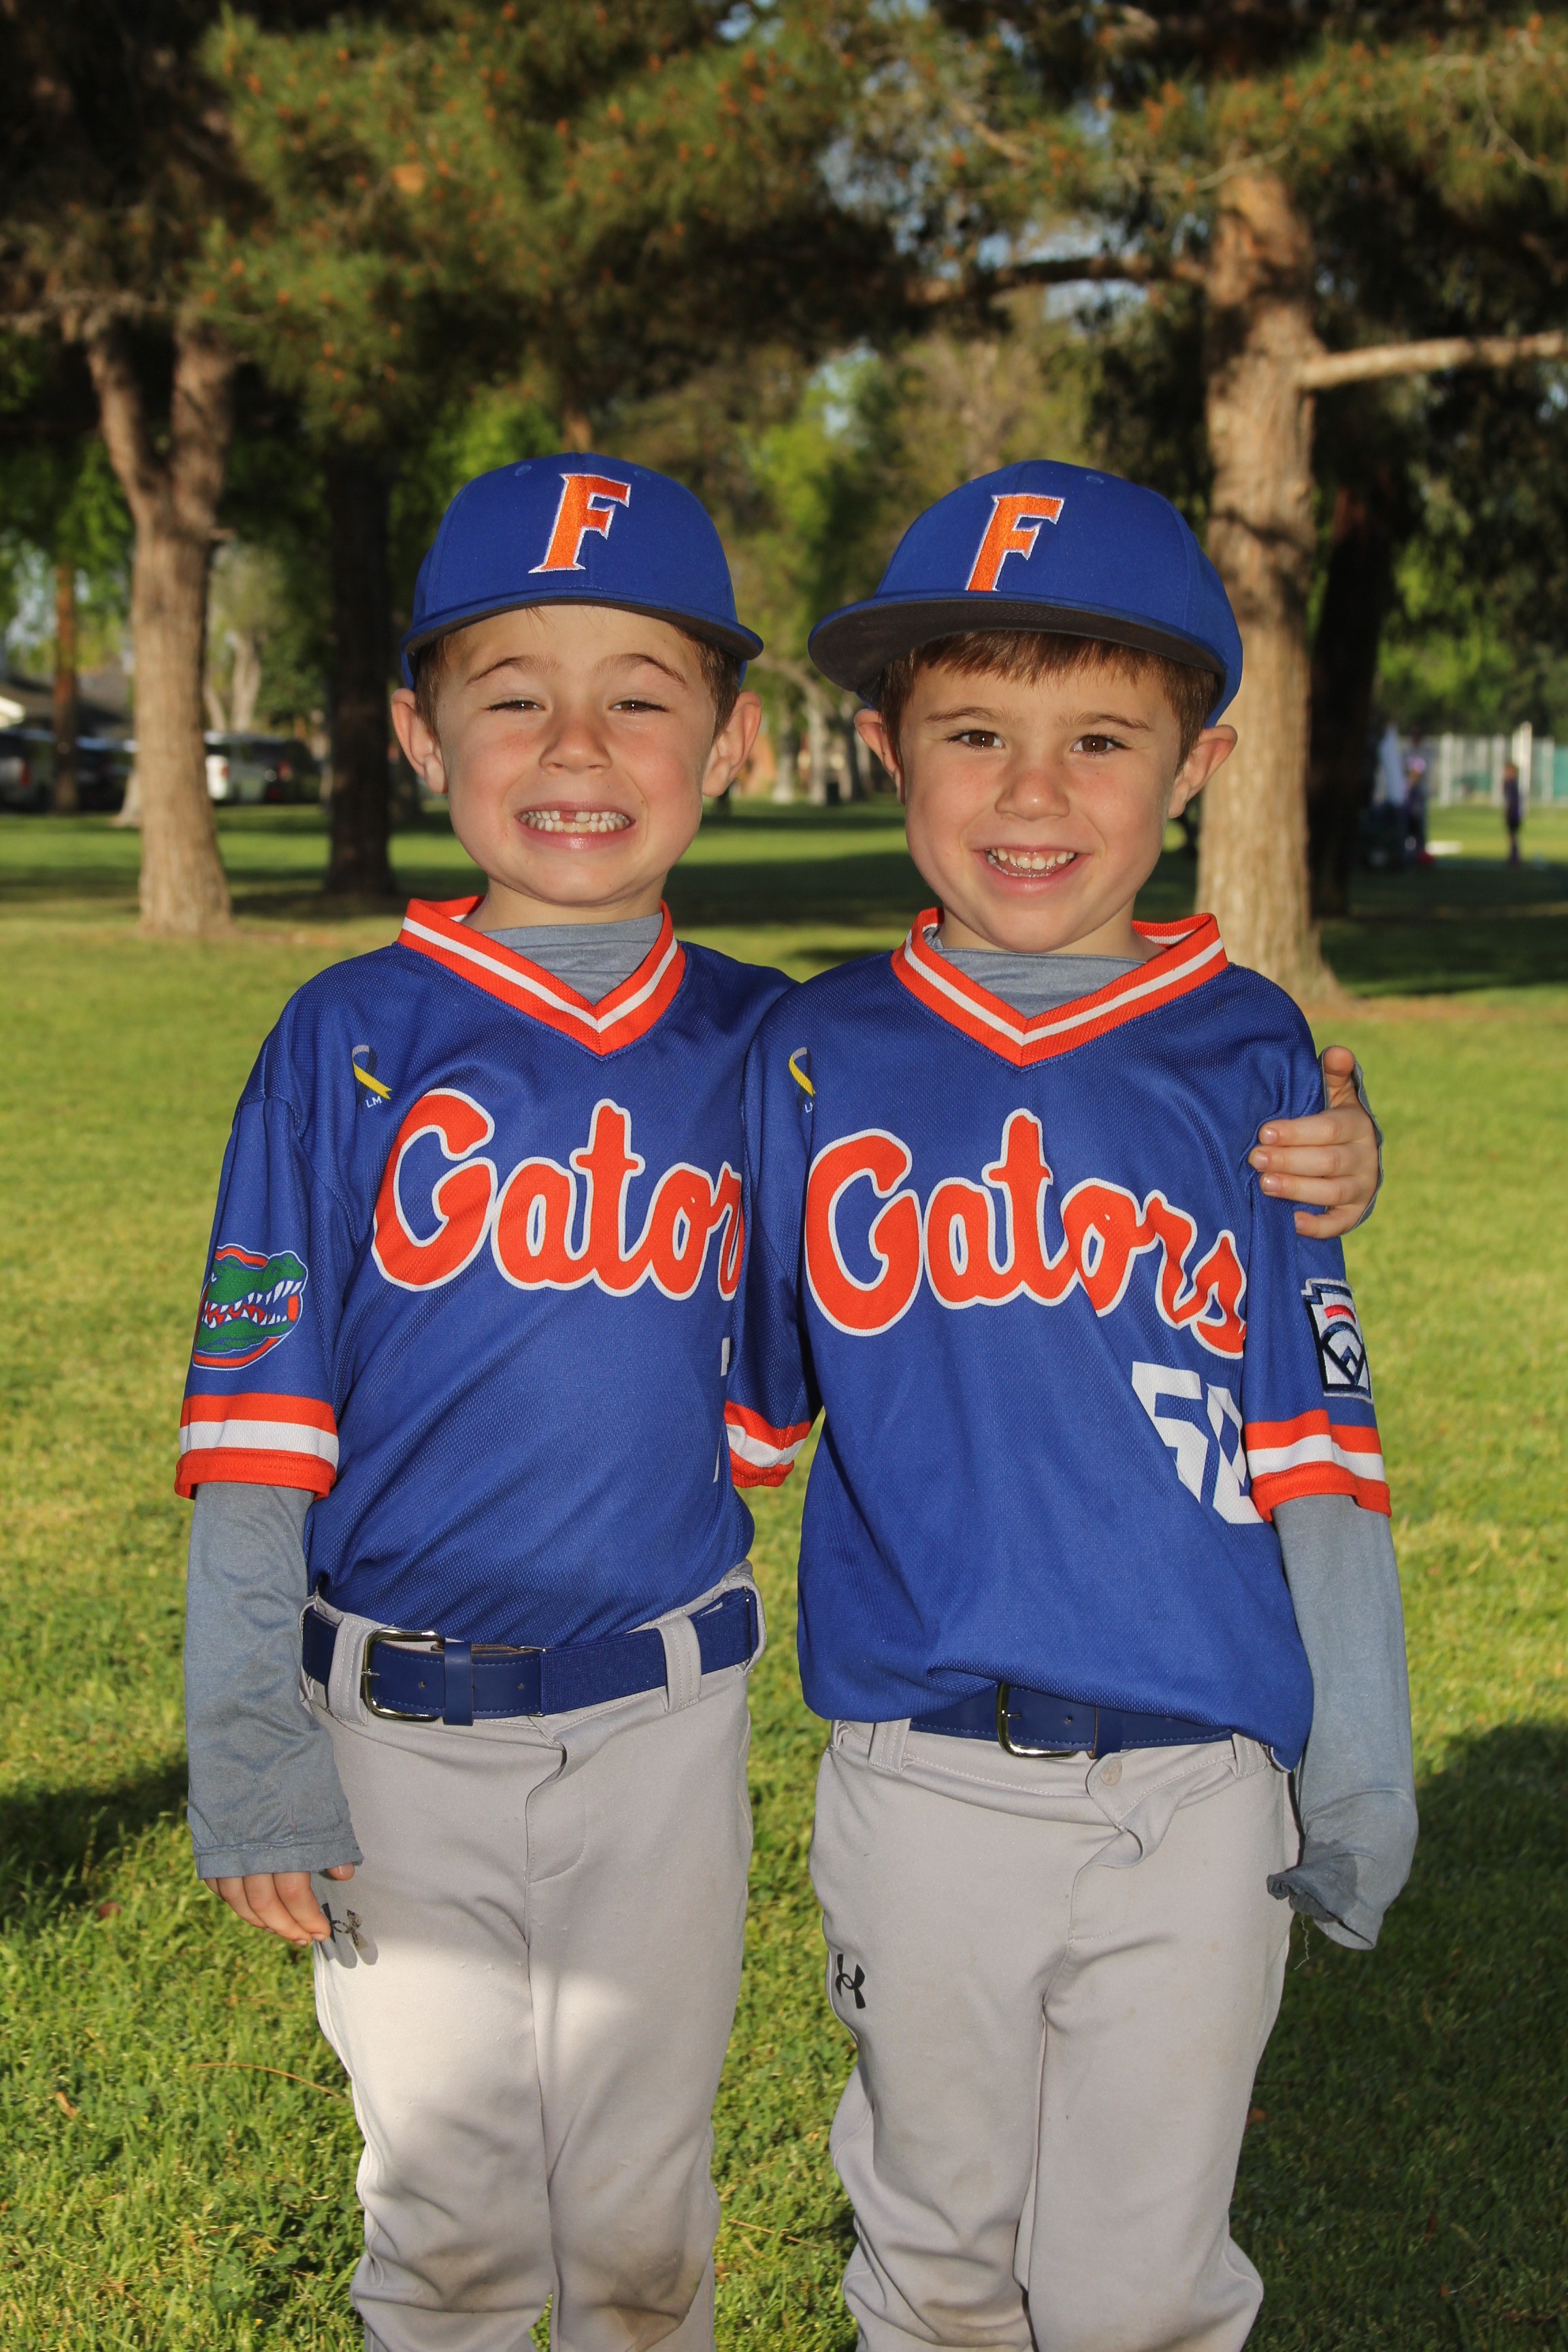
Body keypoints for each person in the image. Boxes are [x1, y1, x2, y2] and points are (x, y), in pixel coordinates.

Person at [178, 457, 1381, 2352]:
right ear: (419, 732)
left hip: (674, 1714)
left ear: (731, 741)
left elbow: (1049, 1110)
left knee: (646, 2225)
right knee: (452, 2218)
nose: (578, 747)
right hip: (400, 1708)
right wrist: (248, 1729)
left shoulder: (783, 1038)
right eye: (515, 695)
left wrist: (1329, 1140)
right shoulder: (366, 1038)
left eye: (640, 698)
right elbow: (260, 1424)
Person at [725, 461, 1415, 2352]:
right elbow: (728, 1414)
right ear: (888, 748)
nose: (1033, 794)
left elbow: (1317, 1441)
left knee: (1140, 2287)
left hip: (1201, 1785)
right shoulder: (814, 1051)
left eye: (1100, 739)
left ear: (1197, 765)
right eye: (975, 732)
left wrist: (1360, 1760)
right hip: (921, 1771)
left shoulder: (1250, 1049)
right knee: (939, 2259)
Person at [1503, 759, 1523, 864]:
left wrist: (1508, 813)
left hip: (1514, 814)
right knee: (1512, 836)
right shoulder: (1510, 783)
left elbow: (1513, 801)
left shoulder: (1512, 784)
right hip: (1514, 813)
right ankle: (1513, 856)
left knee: (1513, 836)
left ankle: (1515, 858)